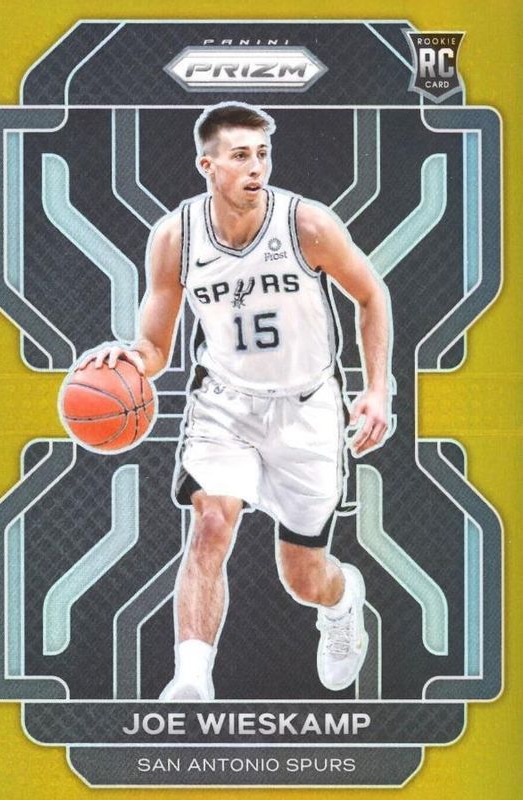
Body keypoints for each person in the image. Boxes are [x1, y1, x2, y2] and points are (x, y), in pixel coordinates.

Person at [80, 102, 391, 700]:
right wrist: (127, 358)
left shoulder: (307, 224)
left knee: (303, 578)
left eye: (263, 154)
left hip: (307, 409)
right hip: (224, 405)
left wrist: (377, 389)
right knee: (210, 523)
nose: (257, 168)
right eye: (241, 155)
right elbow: (154, 346)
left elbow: (372, 296)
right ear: (208, 165)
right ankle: (191, 680)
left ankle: (342, 599)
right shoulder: (176, 237)